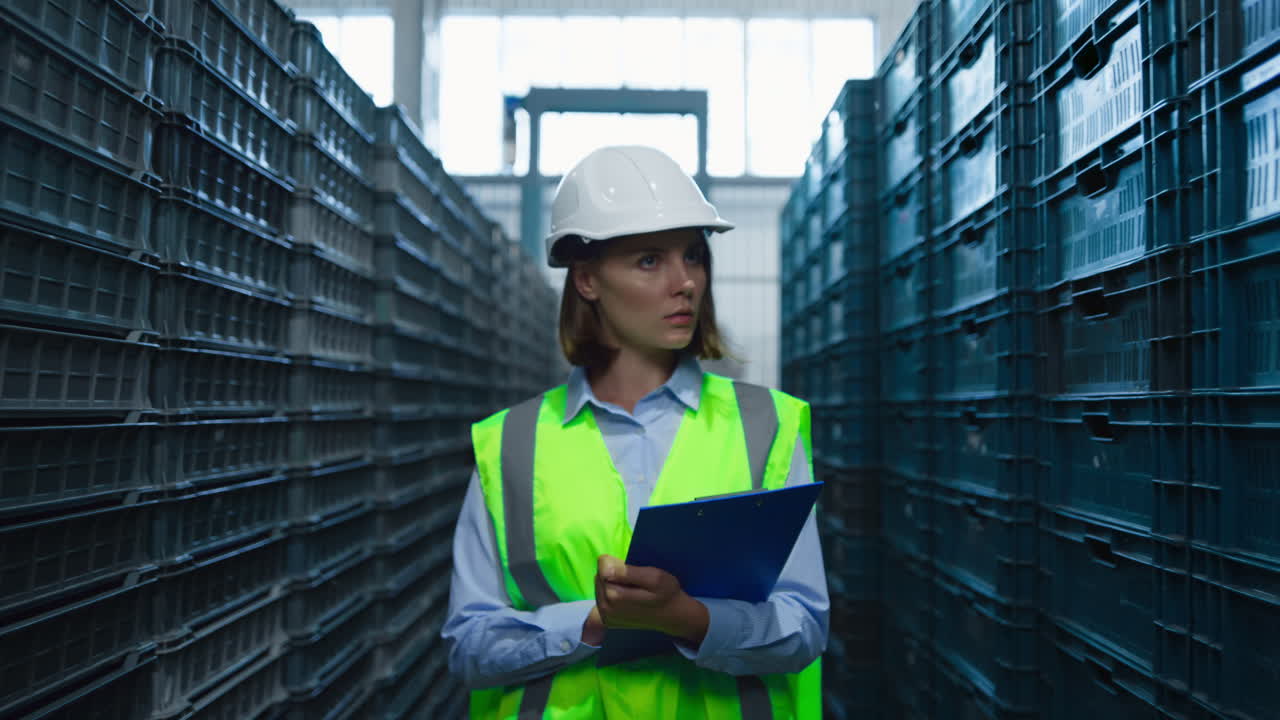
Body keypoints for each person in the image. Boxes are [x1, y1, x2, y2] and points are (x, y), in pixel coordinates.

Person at [442, 145, 829, 719]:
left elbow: (804, 626)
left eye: (694, 257)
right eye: (650, 260)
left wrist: (688, 620)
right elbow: (469, 645)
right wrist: (591, 623)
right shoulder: (511, 443)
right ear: (588, 280)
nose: (686, 283)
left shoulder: (765, 427)